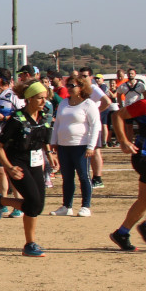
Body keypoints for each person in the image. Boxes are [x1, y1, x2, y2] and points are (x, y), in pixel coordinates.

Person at [0, 81, 56, 256]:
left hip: (35, 162)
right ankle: (30, 244)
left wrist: (50, 155)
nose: (44, 101)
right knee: (33, 203)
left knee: (38, 206)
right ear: (29, 99)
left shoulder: (44, 117)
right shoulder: (17, 119)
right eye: (40, 98)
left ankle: (0, 201)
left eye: (45, 98)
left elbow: (44, 140)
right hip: (18, 163)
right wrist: (9, 167)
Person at [108, 69, 146, 251]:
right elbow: (117, 115)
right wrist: (123, 141)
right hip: (144, 156)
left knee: (145, 200)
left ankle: (122, 233)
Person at [49, 75, 99, 217]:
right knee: (67, 177)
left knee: (83, 176)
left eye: (72, 86)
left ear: (81, 87)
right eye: (68, 85)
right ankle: (67, 206)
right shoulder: (64, 103)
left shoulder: (89, 104)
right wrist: (54, 141)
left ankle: (85, 206)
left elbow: (95, 126)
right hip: (64, 146)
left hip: (81, 146)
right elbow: (57, 123)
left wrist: (91, 146)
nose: (69, 88)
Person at [0, 68, 25, 217]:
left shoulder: (13, 95)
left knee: (11, 171)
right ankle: (2, 204)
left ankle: (19, 204)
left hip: (10, 139)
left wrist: (5, 119)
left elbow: (22, 115)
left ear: (0, 80)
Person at [78, 67, 113, 187]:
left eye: (85, 76)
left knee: (95, 150)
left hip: (94, 126)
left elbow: (107, 101)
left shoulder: (94, 89)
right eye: (80, 76)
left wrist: (96, 112)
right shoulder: (81, 89)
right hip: (83, 125)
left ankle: (98, 178)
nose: (82, 78)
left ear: (91, 77)